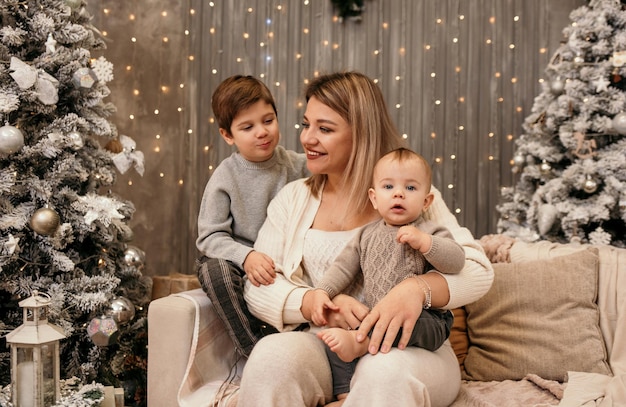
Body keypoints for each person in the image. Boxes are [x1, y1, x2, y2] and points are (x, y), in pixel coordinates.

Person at [238, 71, 494, 407]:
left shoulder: (409, 194)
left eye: (324, 129)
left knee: (383, 372)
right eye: (305, 125)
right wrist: (316, 304)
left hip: (409, 348)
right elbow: (258, 286)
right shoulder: (292, 198)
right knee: (271, 356)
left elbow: (478, 270)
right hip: (326, 343)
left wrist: (415, 291)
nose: (307, 139)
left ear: (361, 135)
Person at [310, 147, 466, 406]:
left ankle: (362, 343)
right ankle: (345, 395)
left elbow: (457, 260)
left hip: (428, 320)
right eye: (388, 186)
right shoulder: (365, 235)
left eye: (411, 188)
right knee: (334, 342)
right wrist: (322, 292)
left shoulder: (430, 230)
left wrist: (426, 243)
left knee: (378, 330)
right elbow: (343, 268)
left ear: (426, 201)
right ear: (374, 197)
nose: (398, 193)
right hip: (377, 316)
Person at [196, 75, 308, 358]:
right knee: (213, 270)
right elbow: (209, 236)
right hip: (240, 262)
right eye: (248, 127)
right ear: (228, 135)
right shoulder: (226, 176)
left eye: (268, 120)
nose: (262, 132)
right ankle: (253, 350)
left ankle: (297, 340)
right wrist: (246, 257)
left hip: (286, 261)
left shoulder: (297, 166)